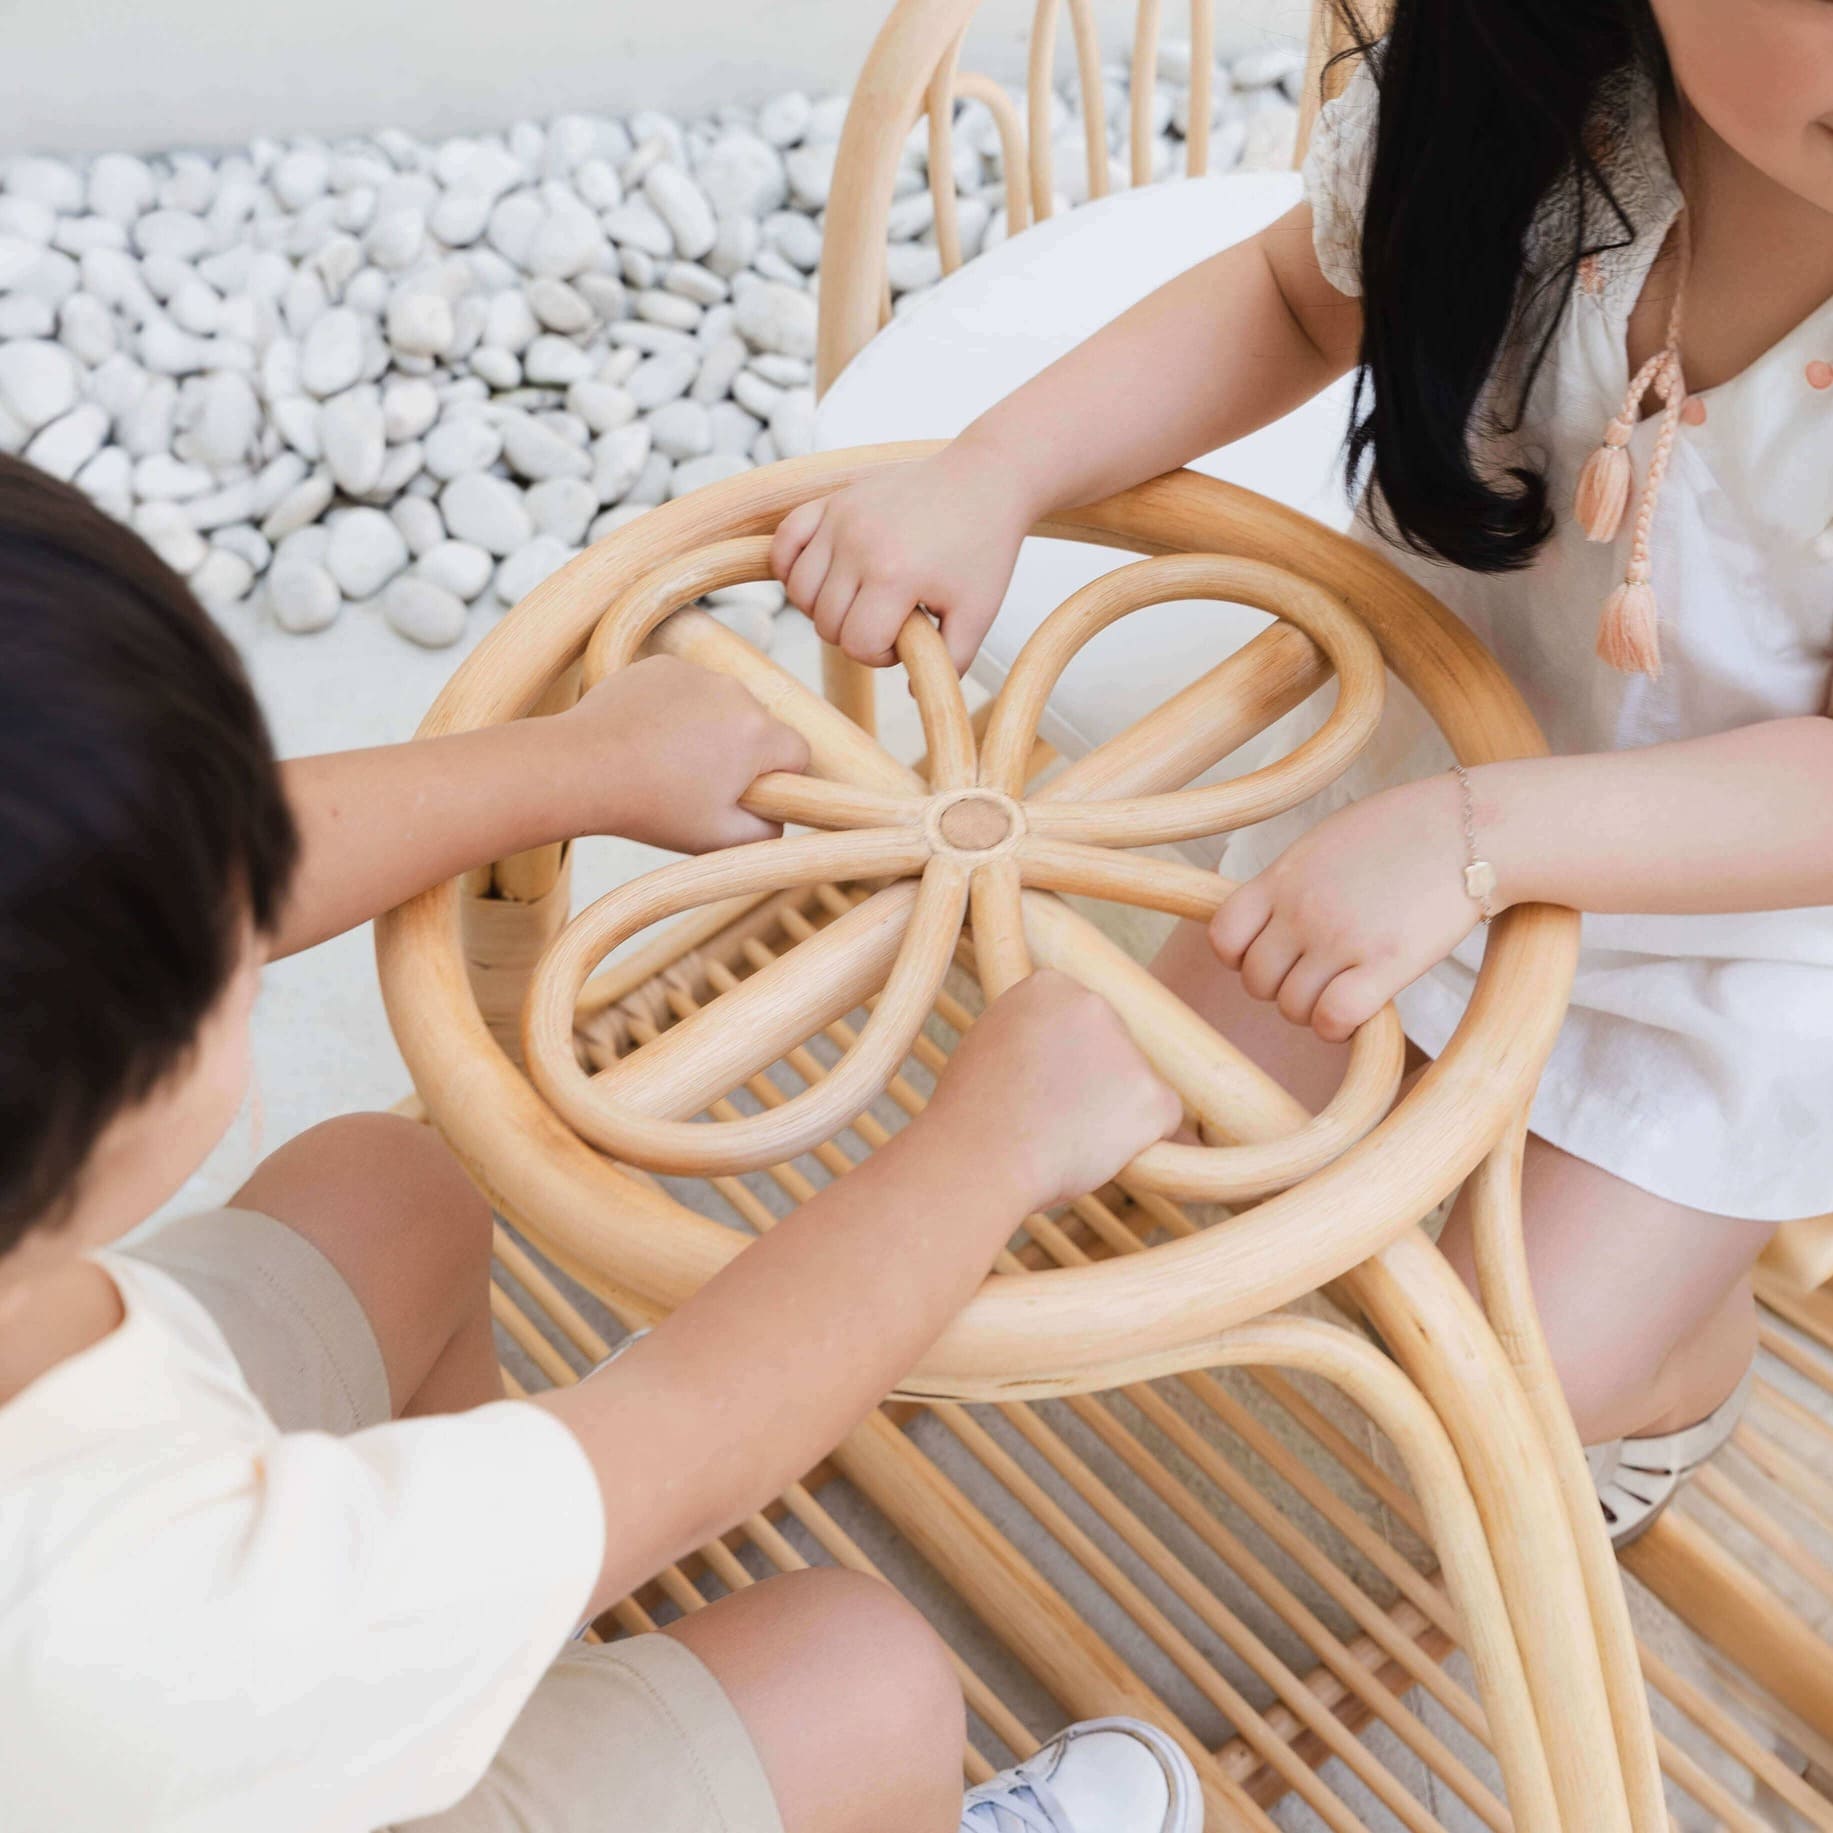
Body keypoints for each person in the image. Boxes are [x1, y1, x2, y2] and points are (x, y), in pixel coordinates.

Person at [0, 452, 1200, 1833]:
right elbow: (694, 1429)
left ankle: (483, 1640)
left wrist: (572, 762)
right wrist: (995, 1143)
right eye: (231, 956)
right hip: (171, 1718)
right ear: (100, 1112)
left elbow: (108, 875)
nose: (255, 910)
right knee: (860, 1685)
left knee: (389, 1192)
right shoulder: (137, 1621)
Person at [771, 0, 1833, 1543]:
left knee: (1500, 1357)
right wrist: (992, 473)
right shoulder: (1536, 118)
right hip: (1417, 761)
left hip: (1747, 923)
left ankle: (1690, 1357)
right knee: (1204, 1144)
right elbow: (1287, 298)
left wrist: (1477, 836)